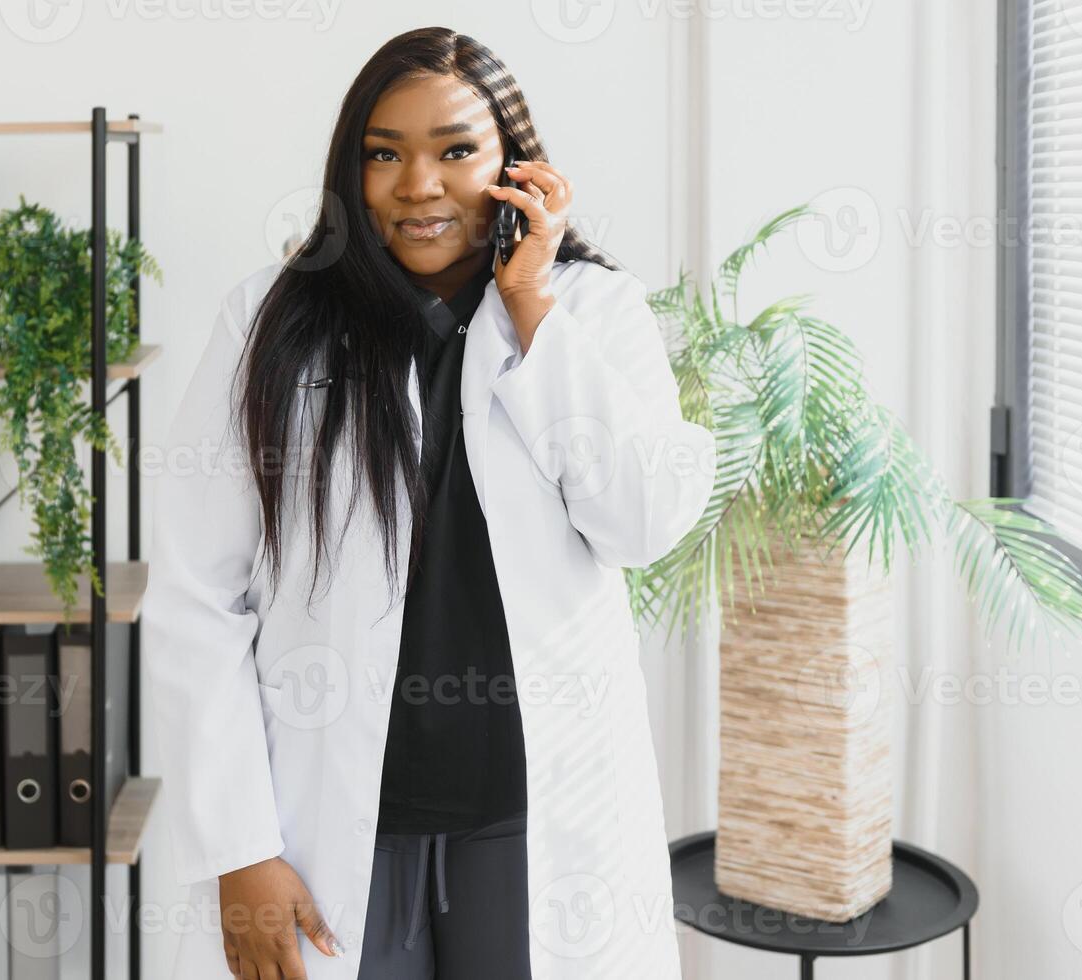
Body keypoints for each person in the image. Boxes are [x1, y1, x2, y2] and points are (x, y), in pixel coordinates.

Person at [144, 25, 716, 980]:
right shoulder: (273, 321)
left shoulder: (592, 315)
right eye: (384, 154)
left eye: (456, 150)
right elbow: (198, 596)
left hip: (531, 813)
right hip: (335, 818)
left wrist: (534, 310)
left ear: (512, 167)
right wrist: (239, 847)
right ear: (350, 170)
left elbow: (642, 522)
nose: (419, 186)